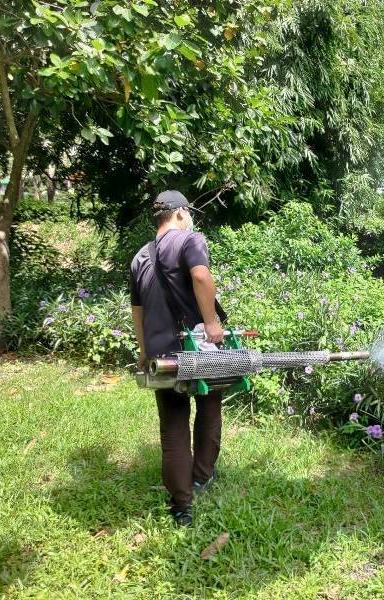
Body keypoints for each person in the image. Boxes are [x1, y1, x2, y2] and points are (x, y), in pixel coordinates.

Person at [129, 190, 225, 526]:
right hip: (196, 347)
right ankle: (201, 475)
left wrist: (144, 353)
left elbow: (137, 311)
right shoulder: (189, 239)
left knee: (172, 426)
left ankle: (181, 505)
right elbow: (200, 275)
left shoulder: (140, 256)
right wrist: (212, 322)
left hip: (160, 354)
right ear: (181, 213)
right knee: (210, 405)